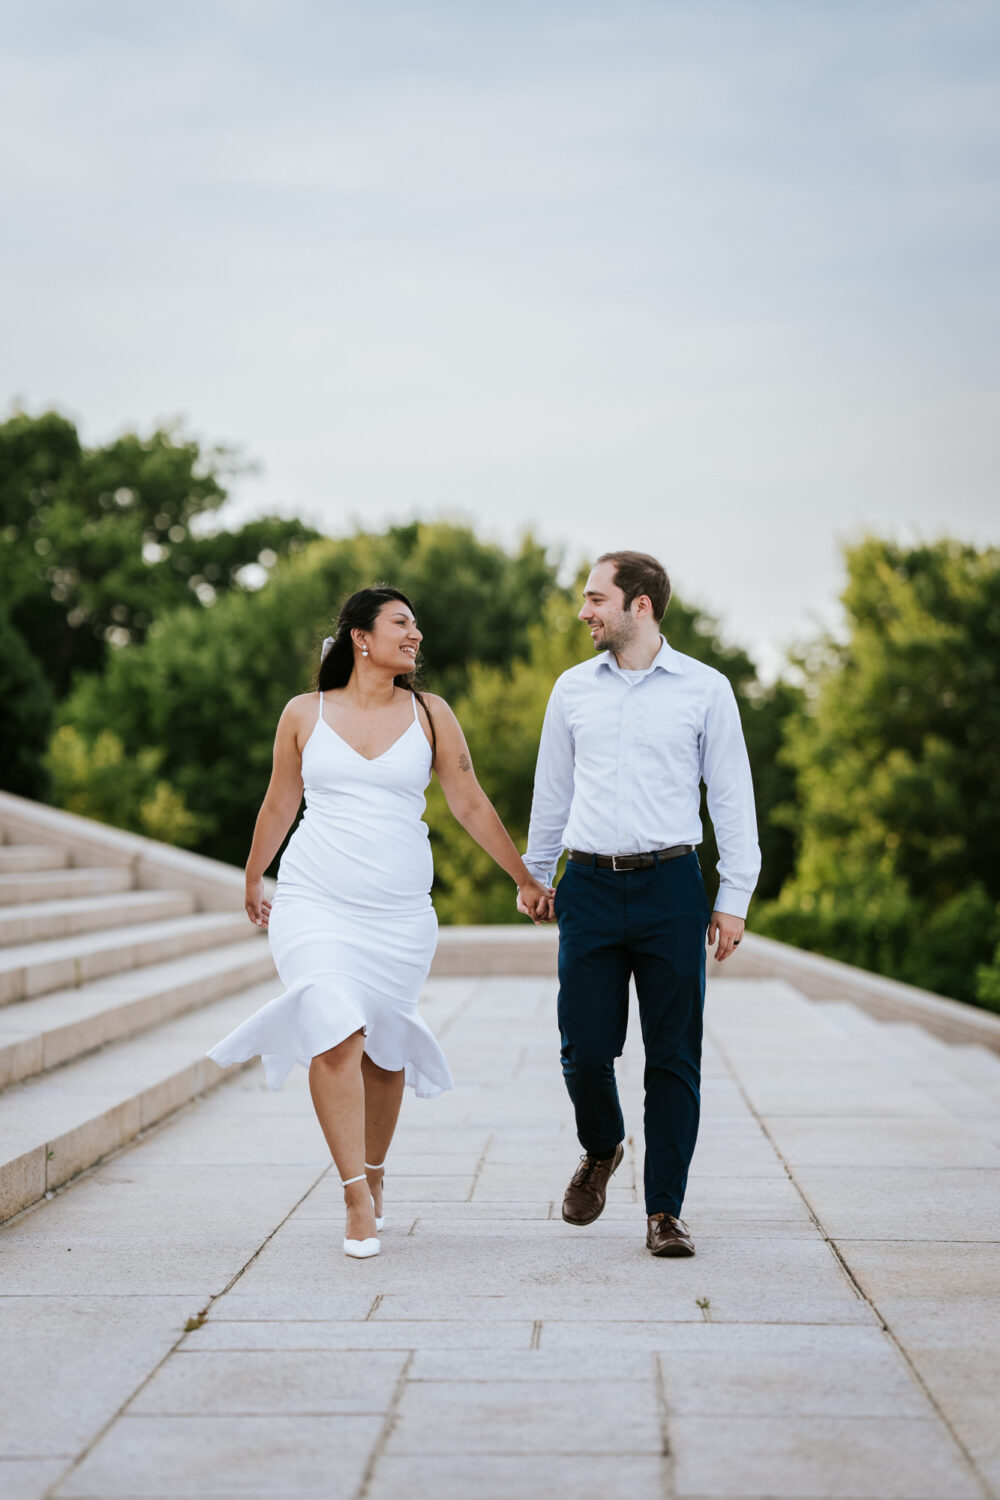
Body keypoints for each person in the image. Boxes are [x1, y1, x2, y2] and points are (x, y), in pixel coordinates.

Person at [209, 585, 551, 1259]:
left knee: (385, 1052)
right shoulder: (304, 714)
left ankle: (376, 1168)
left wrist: (524, 878)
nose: (415, 634)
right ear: (360, 638)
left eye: (416, 625)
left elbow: (470, 803)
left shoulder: (430, 713)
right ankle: (353, 1194)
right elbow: (281, 801)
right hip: (313, 901)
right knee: (334, 1026)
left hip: (398, 917)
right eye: (401, 623)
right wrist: (253, 875)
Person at [520, 551, 760, 1258]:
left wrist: (733, 897)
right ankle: (602, 1147)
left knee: (673, 1055)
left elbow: (732, 799)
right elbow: (552, 793)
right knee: (583, 1050)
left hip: (672, 887)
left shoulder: (706, 689)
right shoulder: (570, 690)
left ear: (641, 606)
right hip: (589, 886)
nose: (585, 611)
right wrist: (537, 874)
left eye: (597, 599)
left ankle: (664, 1212)